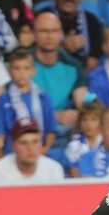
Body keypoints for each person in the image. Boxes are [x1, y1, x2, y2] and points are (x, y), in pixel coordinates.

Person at [31, 12, 88, 148]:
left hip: (65, 133)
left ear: (61, 34)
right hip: (32, 130)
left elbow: (84, 102)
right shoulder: (23, 63)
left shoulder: (73, 65)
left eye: (54, 31)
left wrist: (79, 115)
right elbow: (18, 105)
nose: (50, 36)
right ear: (34, 34)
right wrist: (55, 116)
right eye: (44, 31)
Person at [0, 47, 58, 159]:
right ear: (10, 71)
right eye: (17, 68)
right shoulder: (4, 99)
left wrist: (43, 150)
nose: (22, 73)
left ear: (33, 71)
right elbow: (0, 132)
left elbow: (51, 129)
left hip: (40, 153)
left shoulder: (44, 97)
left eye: (26, 68)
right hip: (12, 155)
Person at [42, 0, 104, 72]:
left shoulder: (92, 21)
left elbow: (94, 61)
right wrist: (63, 48)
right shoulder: (42, 18)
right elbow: (35, 56)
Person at [0, 117, 64, 182]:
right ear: (13, 146)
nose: (30, 148)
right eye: (23, 143)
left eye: (35, 142)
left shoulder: (53, 169)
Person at [64, 100, 103, 177]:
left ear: (101, 121)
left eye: (93, 119)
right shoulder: (74, 144)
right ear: (80, 122)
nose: (88, 124)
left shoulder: (107, 142)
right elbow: (74, 173)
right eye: (84, 119)